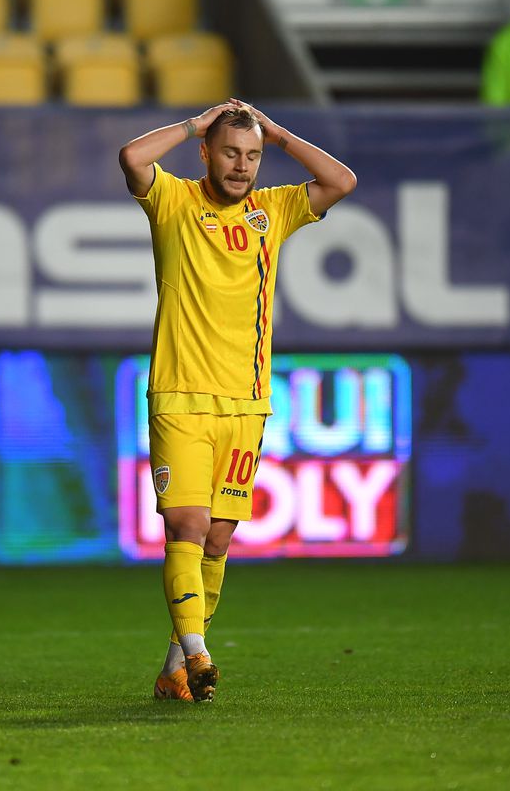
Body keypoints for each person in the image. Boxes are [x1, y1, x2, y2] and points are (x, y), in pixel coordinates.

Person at [119, 101, 355, 702]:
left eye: (252, 156)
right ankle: (199, 651)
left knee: (218, 539)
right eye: (229, 152)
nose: (242, 165)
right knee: (187, 524)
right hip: (179, 397)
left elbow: (340, 181)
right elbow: (132, 157)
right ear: (206, 153)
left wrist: (278, 134)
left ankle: (175, 667)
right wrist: (194, 124)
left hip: (246, 404)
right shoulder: (174, 202)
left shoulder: (272, 210)